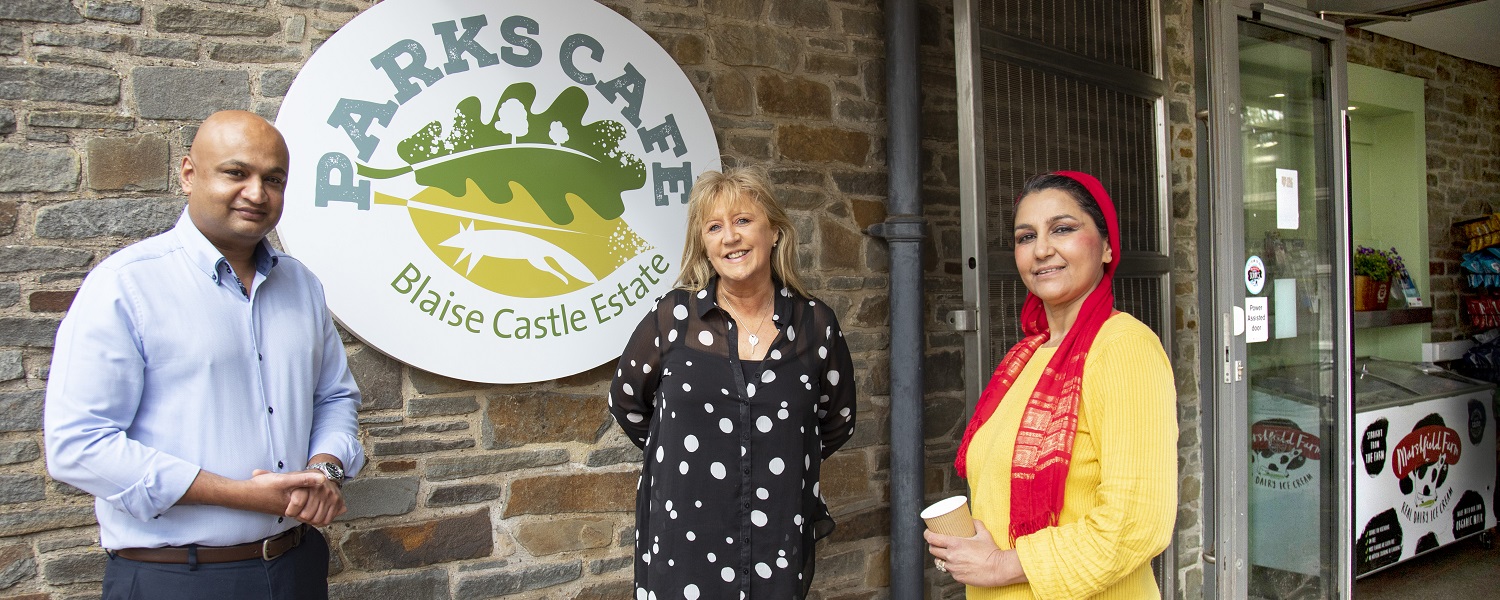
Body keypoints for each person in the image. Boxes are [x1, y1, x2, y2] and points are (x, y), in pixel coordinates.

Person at [44, 110, 365, 600]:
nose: (257, 193)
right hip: (176, 579)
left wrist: (325, 469)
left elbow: (334, 398)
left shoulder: (301, 286)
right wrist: (238, 495)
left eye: (273, 179)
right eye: (237, 173)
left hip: (296, 566)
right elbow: (78, 447)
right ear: (190, 174)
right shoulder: (127, 285)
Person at [608, 165, 858, 599]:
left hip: (775, 533)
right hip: (683, 535)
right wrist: (689, 450)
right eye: (714, 227)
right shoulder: (674, 319)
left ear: (774, 232)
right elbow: (626, 401)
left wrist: (774, 451)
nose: (730, 237)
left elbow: (836, 421)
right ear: (704, 244)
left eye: (743, 221)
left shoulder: (815, 324)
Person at [925, 171, 1176, 598]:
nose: (1041, 249)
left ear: (1107, 246)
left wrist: (1001, 564)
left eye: (1063, 229)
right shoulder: (1027, 357)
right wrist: (971, 547)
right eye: (1026, 237)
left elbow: (1135, 522)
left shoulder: (1123, 347)